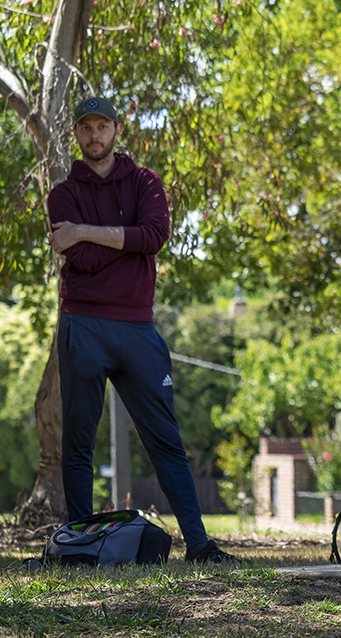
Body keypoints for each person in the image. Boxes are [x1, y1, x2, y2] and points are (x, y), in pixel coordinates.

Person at [47, 96, 234, 564]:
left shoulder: (145, 181)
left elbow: (154, 236)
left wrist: (84, 231)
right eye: (86, 128)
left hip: (137, 328)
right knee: (79, 441)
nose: (94, 135)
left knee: (165, 440)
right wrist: (123, 239)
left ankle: (199, 546)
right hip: (82, 325)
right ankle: (79, 550)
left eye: (102, 126)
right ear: (77, 134)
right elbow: (86, 259)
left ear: (116, 130)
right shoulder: (63, 194)